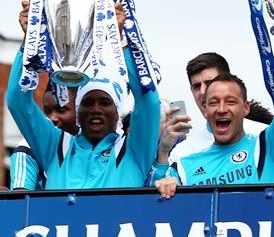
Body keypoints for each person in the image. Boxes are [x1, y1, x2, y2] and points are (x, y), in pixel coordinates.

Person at [7, 46, 160, 189]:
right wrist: (29, 43)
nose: (96, 109)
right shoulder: (56, 147)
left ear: (117, 113)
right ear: (78, 113)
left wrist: (125, 44)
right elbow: (18, 103)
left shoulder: (133, 151)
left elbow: (149, 103)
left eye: (105, 102)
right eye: (87, 102)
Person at [152, 52, 274, 183]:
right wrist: (163, 153)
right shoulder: (184, 156)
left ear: (245, 107)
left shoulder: (265, 139)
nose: (202, 92)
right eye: (196, 86)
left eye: (210, 82)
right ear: (205, 108)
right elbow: (158, 203)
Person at [153, 73, 274, 198]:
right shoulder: (183, 166)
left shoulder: (267, 146)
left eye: (230, 102)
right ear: (206, 110)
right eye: (213, 103)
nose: (221, 109)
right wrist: (166, 184)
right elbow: (152, 200)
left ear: (245, 108)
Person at [10, 85, 78, 190]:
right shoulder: (27, 147)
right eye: (47, 111)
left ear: (79, 110)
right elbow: (21, 200)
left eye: (61, 110)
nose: (52, 117)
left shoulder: (91, 144)